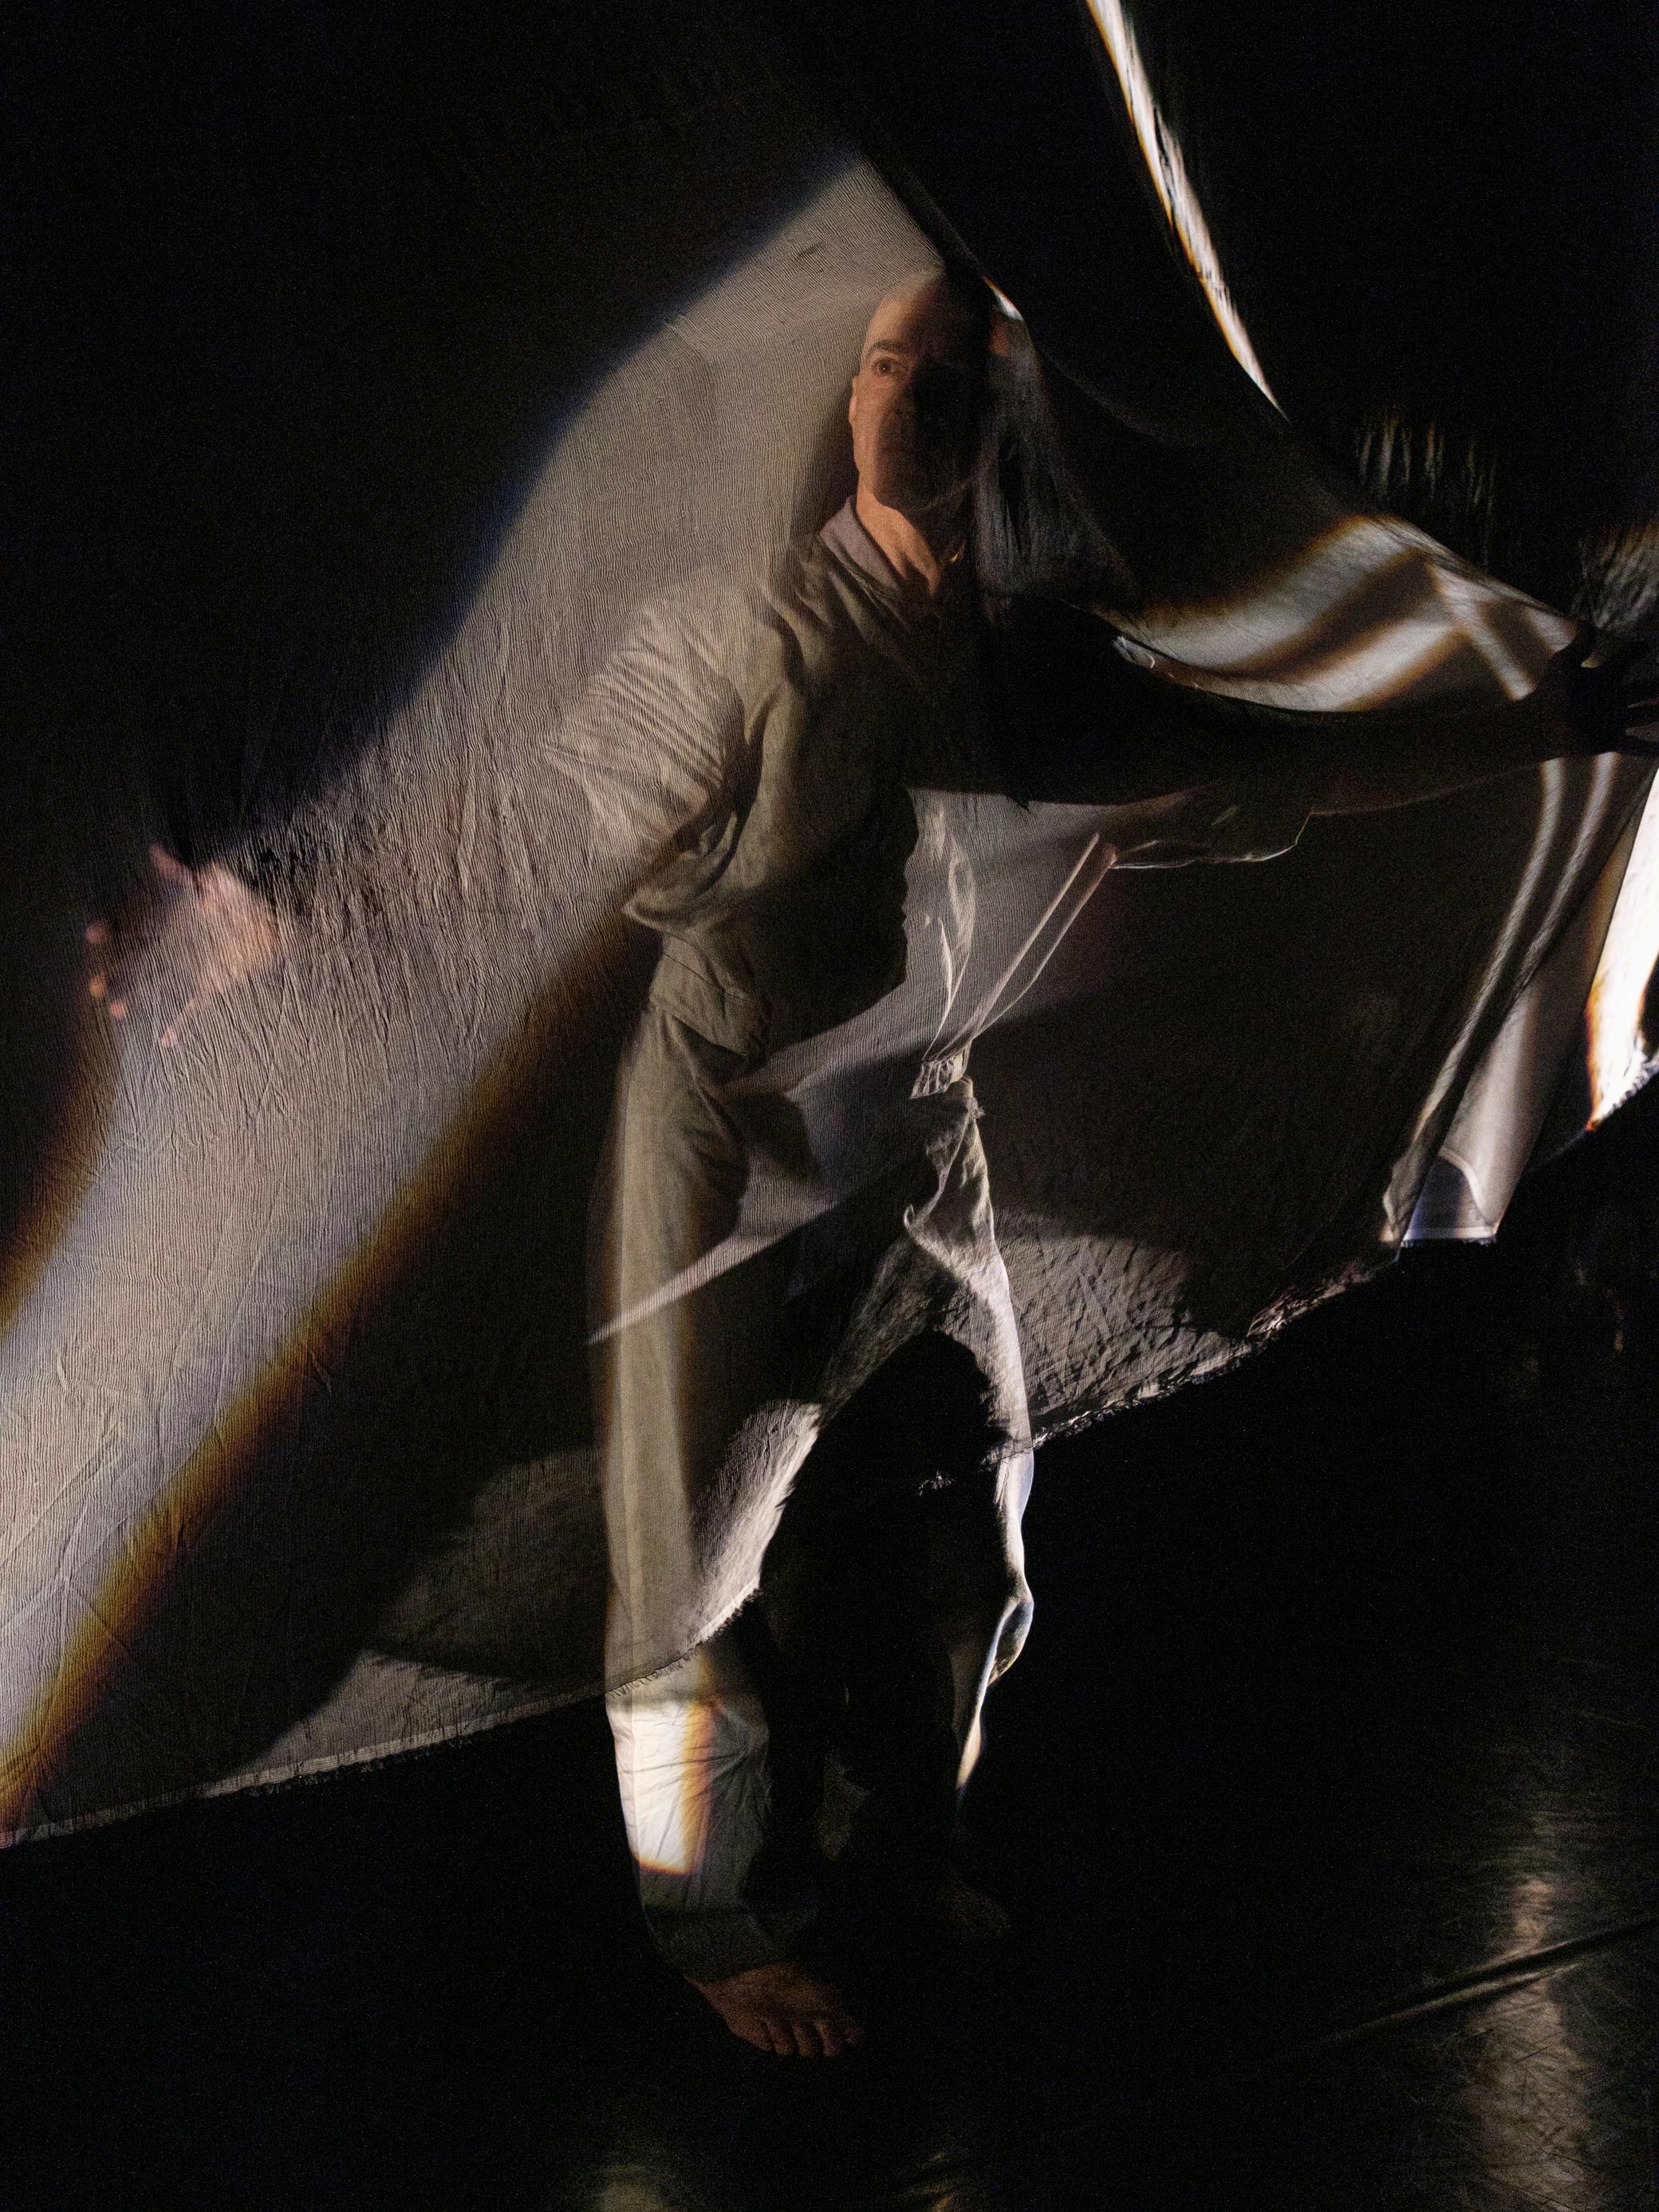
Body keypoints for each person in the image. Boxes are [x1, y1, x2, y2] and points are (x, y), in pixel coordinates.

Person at [89, 267, 1658, 2061]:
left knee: (965, 1531)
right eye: (884, 365)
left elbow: (1262, 761)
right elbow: (527, 840)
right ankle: (712, 1924)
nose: (911, 398)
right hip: (727, 1149)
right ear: (846, 403)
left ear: (1004, 423)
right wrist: (274, 915)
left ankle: (904, 1837)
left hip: (917, 1143)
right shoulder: (740, 635)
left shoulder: (1034, 664)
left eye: (953, 374)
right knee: (688, 1567)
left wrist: (1544, 724)